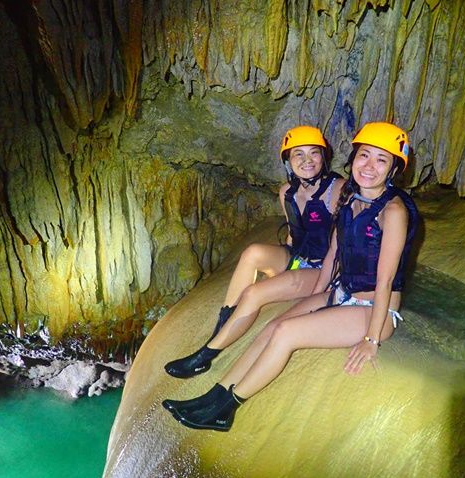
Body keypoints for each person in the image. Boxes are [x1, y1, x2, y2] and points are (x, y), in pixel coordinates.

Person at [163, 121, 419, 431]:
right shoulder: (351, 198)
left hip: (373, 309)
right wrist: (318, 296)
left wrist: (371, 339)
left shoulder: (393, 211)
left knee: (286, 333)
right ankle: (213, 396)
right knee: (272, 327)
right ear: (354, 158)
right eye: (364, 155)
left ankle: (225, 410)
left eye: (382, 160)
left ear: (394, 169)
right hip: (341, 293)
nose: (369, 166)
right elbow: (334, 253)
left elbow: (386, 280)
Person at [164, 126, 345, 378]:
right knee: (252, 253)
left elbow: (344, 244)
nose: (307, 160)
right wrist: (286, 264)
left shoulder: (338, 189)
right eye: (298, 154)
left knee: (254, 293)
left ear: (324, 157)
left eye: (314, 153)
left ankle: (205, 355)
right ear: (288, 161)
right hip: (300, 257)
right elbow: (293, 232)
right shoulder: (287, 191)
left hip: (325, 268)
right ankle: (223, 324)